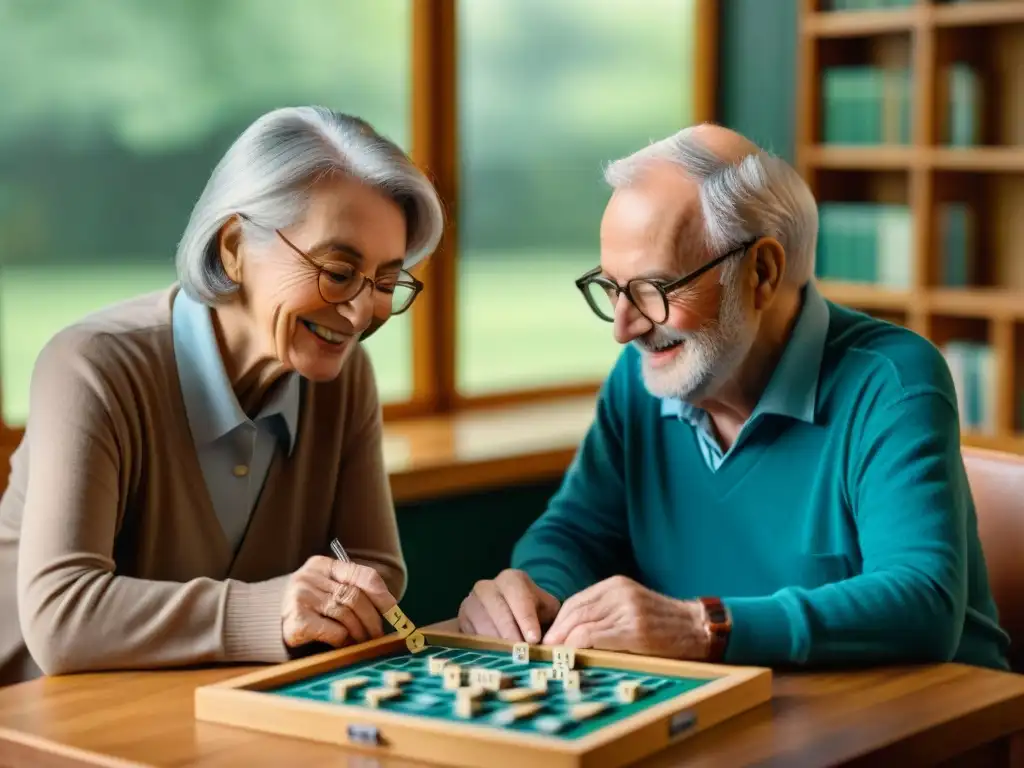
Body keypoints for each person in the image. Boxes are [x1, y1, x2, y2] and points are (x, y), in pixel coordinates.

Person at [458, 123, 1011, 671]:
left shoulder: (891, 379)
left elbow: (922, 604)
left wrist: (702, 627)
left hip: (933, 724)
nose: (623, 328)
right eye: (612, 288)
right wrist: (538, 594)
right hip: (750, 712)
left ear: (762, 273)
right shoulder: (642, 376)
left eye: (653, 289)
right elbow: (573, 532)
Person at [0, 106, 444, 686]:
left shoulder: (342, 374)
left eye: (387, 281)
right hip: (39, 716)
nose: (365, 312)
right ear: (234, 246)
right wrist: (273, 609)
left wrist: (323, 597)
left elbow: (370, 567)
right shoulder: (91, 367)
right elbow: (62, 617)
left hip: (205, 702)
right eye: (339, 271)